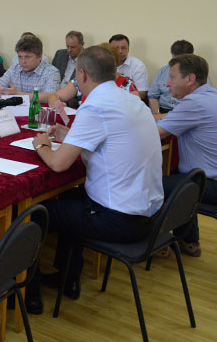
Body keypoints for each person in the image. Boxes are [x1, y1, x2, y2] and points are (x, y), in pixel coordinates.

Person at [25, 46, 163, 314]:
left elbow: (58, 164)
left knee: (34, 214)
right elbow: (112, 140)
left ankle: (28, 294)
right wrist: (71, 136)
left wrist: (41, 145)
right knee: (67, 199)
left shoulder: (95, 106)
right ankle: (68, 279)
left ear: (82, 74)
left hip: (118, 218)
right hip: (147, 212)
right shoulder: (132, 100)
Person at [158, 54, 217, 257]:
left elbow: (155, 133)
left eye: (172, 77)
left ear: (190, 79)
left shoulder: (194, 103)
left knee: (151, 185)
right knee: (178, 173)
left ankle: (155, 243)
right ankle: (188, 240)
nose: (167, 83)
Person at [48, 42, 139, 109]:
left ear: (115, 64)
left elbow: (134, 113)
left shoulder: (128, 85)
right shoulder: (84, 78)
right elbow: (55, 96)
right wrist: (56, 104)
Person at [0, 35, 60, 100]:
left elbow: (51, 97)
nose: (23, 61)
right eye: (20, 57)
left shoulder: (51, 72)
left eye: (27, 57)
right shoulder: (14, 69)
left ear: (40, 56)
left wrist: (17, 94)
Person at [148, 40, 208, 116]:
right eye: (175, 60)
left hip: (186, 112)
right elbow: (153, 96)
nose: (167, 84)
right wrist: (157, 114)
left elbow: (202, 102)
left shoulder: (200, 74)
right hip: (162, 110)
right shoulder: (163, 71)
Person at [109, 34, 148, 99]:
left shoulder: (138, 66)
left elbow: (142, 94)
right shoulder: (103, 64)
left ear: (128, 49)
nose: (120, 51)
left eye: (123, 48)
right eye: (116, 48)